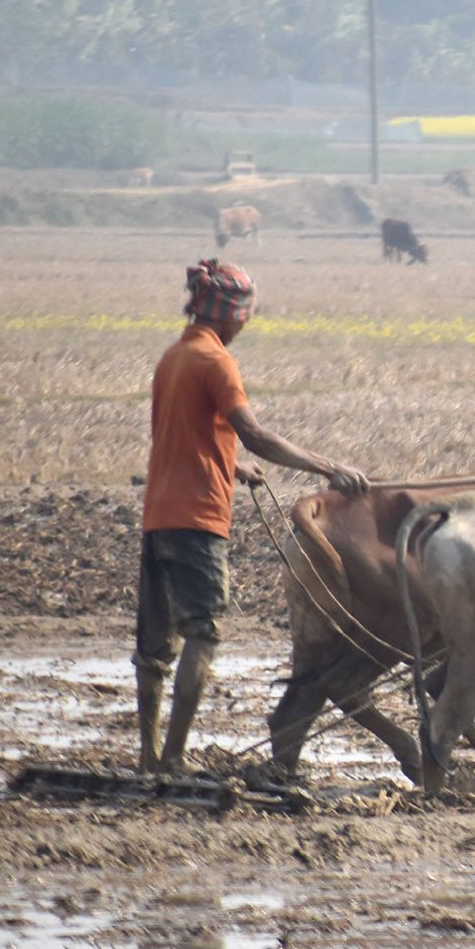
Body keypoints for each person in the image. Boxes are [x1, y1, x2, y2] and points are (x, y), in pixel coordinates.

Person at [136, 259, 368, 775]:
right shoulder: (216, 362)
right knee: (203, 633)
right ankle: (174, 758)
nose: (245, 325)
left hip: (158, 515)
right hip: (197, 518)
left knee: (154, 647)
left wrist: (232, 466)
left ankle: (149, 756)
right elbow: (256, 433)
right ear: (229, 315)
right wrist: (327, 467)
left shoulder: (173, 357)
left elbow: (179, 433)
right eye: (244, 316)